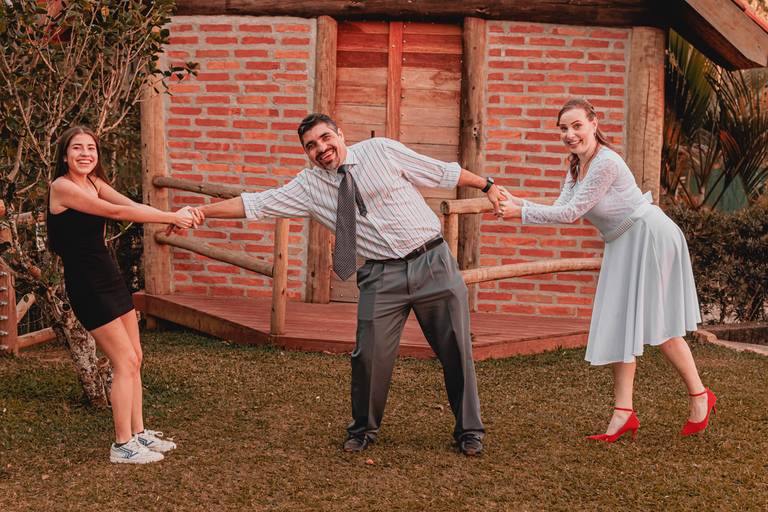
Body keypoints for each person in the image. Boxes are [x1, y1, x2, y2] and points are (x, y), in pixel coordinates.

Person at [185, 113, 505, 456]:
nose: (321, 148)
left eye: (325, 138)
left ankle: (470, 431)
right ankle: (363, 430)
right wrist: (203, 212)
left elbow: (441, 172)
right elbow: (257, 203)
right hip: (382, 275)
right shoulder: (309, 186)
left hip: (432, 261)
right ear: (307, 153)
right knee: (368, 355)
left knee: (456, 348)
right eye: (311, 146)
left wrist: (487, 186)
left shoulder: (381, 150)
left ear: (340, 134)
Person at [498, 99, 716, 442]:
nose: (570, 134)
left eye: (577, 126)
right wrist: (518, 203)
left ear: (594, 124)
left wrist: (519, 212)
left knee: (660, 325)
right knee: (620, 323)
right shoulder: (576, 166)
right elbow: (561, 206)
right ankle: (623, 413)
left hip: (649, 236)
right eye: (563, 129)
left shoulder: (606, 163)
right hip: (621, 241)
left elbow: (571, 214)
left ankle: (700, 396)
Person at [47, 126, 199, 463]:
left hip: (109, 276)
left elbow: (129, 205)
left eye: (91, 148)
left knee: (136, 358)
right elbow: (115, 213)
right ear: (64, 156)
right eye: (77, 148)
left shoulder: (94, 183)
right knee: (124, 360)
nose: (85, 153)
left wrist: (166, 218)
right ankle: (122, 445)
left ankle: (139, 433)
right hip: (87, 284)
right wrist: (172, 216)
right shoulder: (62, 187)